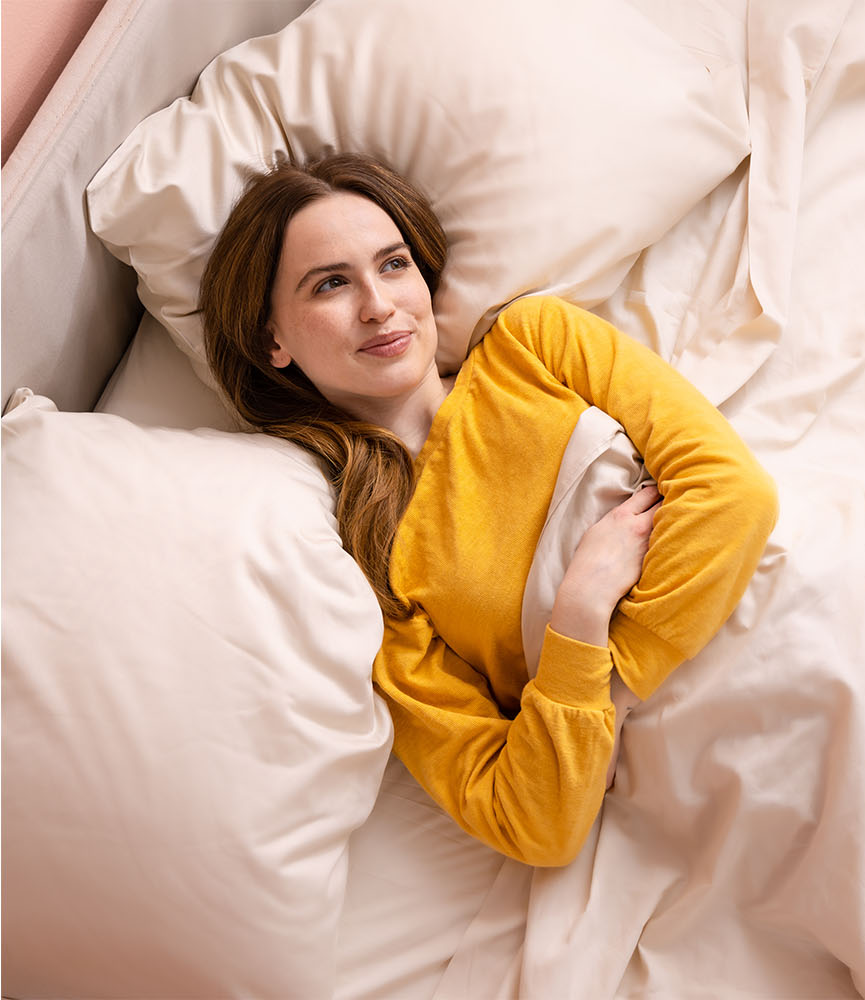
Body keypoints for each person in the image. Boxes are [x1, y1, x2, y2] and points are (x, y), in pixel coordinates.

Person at [199, 153, 778, 866]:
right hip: (700, 794)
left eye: (392, 265)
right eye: (330, 285)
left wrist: (609, 691)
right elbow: (532, 821)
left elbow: (734, 493)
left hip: (773, 626)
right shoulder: (368, 560)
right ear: (272, 340)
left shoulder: (533, 343)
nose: (378, 305)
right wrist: (577, 614)